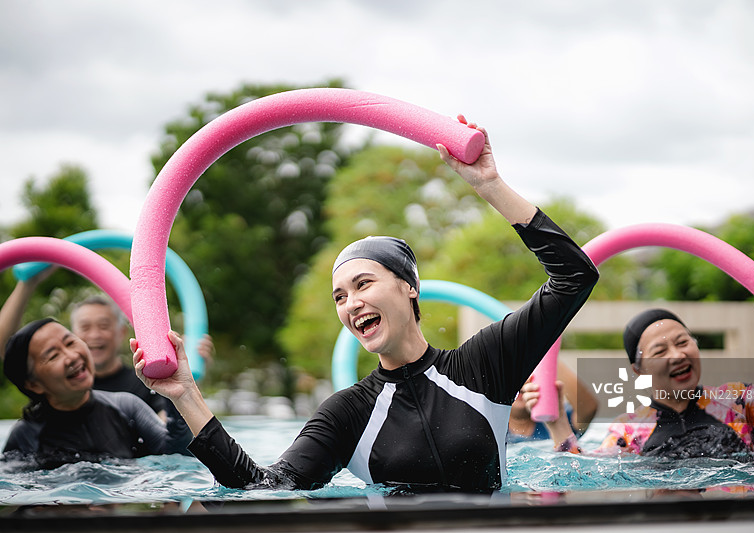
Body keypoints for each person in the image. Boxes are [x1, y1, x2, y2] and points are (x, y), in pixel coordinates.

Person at [131, 116, 600, 492]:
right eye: (340, 296)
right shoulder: (346, 413)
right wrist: (186, 395)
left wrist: (489, 185)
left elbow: (575, 275)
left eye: (363, 284)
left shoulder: (483, 365)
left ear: (409, 286)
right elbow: (262, 489)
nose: (351, 303)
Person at [537, 279, 754, 458]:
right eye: (660, 351)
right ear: (638, 370)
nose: (677, 355)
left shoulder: (739, 401)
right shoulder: (628, 431)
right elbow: (582, 479)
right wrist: (558, 424)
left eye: (683, 342)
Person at [0, 270, 215, 421]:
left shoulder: (147, 381)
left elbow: (172, 436)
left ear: (122, 332)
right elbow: (10, 353)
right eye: (85, 327)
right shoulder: (51, 389)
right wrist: (27, 283)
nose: (94, 335)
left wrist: (190, 380)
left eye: (104, 326)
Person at [2, 318, 192, 468]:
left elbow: (177, 457)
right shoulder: (26, 436)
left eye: (70, 342)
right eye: (53, 355)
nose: (72, 356)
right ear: (34, 385)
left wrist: (174, 398)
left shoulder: (126, 407)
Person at [508, 360, 598, 442]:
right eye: (515, 376)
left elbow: (589, 409)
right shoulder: (494, 427)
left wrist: (547, 352)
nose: (524, 381)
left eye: (529, 374)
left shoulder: (558, 415)